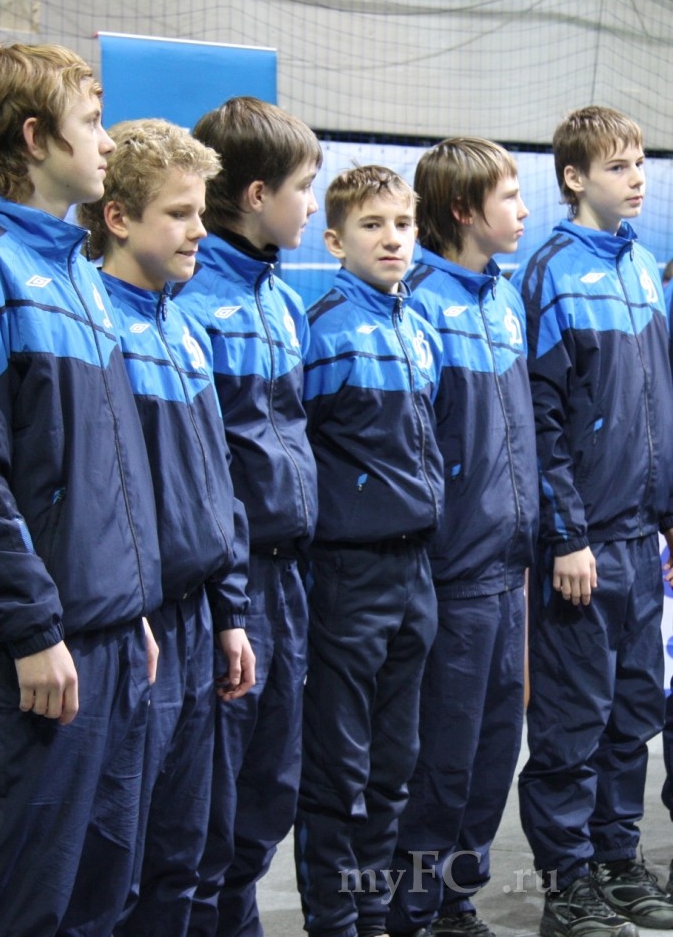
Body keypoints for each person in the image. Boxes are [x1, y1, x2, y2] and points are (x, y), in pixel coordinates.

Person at [0, 42, 164, 937]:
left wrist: (130, 601)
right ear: (33, 137)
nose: (107, 140)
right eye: (90, 121)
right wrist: (33, 629)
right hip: (38, 656)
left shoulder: (83, 278)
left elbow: (106, 468)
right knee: (14, 901)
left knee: (101, 896)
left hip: (112, 641)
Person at [77, 117, 256, 937]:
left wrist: (230, 612)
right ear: (118, 218)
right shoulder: (97, 330)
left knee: (186, 850)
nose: (199, 231)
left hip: (196, 624)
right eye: (179, 214)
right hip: (135, 632)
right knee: (116, 859)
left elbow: (216, 486)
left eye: (201, 211)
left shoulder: (182, 327)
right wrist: (131, 607)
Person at [513, 105, 673, 937]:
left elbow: (658, 407)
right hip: (584, 547)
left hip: (642, 541)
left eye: (640, 162)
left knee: (632, 714)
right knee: (572, 724)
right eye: (618, 166)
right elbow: (540, 419)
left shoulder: (643, 267)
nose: (637, 178)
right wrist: (566, 534)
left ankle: (617, 860)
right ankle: (567, 880)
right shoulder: (550, 273)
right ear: (574, 178)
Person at [174, 95, 322, 937]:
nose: (313, 204)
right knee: (212, 804)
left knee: (269, 793)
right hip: (229, 592)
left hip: (290, 582)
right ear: (259, 195)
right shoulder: (193, 302)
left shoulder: (282, 303)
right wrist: (230, 595)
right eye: (305, 187)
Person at [386, 138, 539, 937]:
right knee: (439, 762)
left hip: (509, 573)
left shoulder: (506, 300)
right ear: (461, 211)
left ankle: (455, 902)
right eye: (508, 196)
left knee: (491, 756)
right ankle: (410, 909)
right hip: (450, 579)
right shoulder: (417, 304)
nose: (523, 210)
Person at [294, 163, 444, 937]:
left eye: (403, 225)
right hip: (348, 578)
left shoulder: (419, 329)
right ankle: (333, 920)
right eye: (372, 226)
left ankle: (374, 913)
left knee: (395, 763)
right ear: (334, 240)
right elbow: (299, 447)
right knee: (340, 767)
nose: (392, 240)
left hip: (415, 574)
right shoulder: (320, 329)